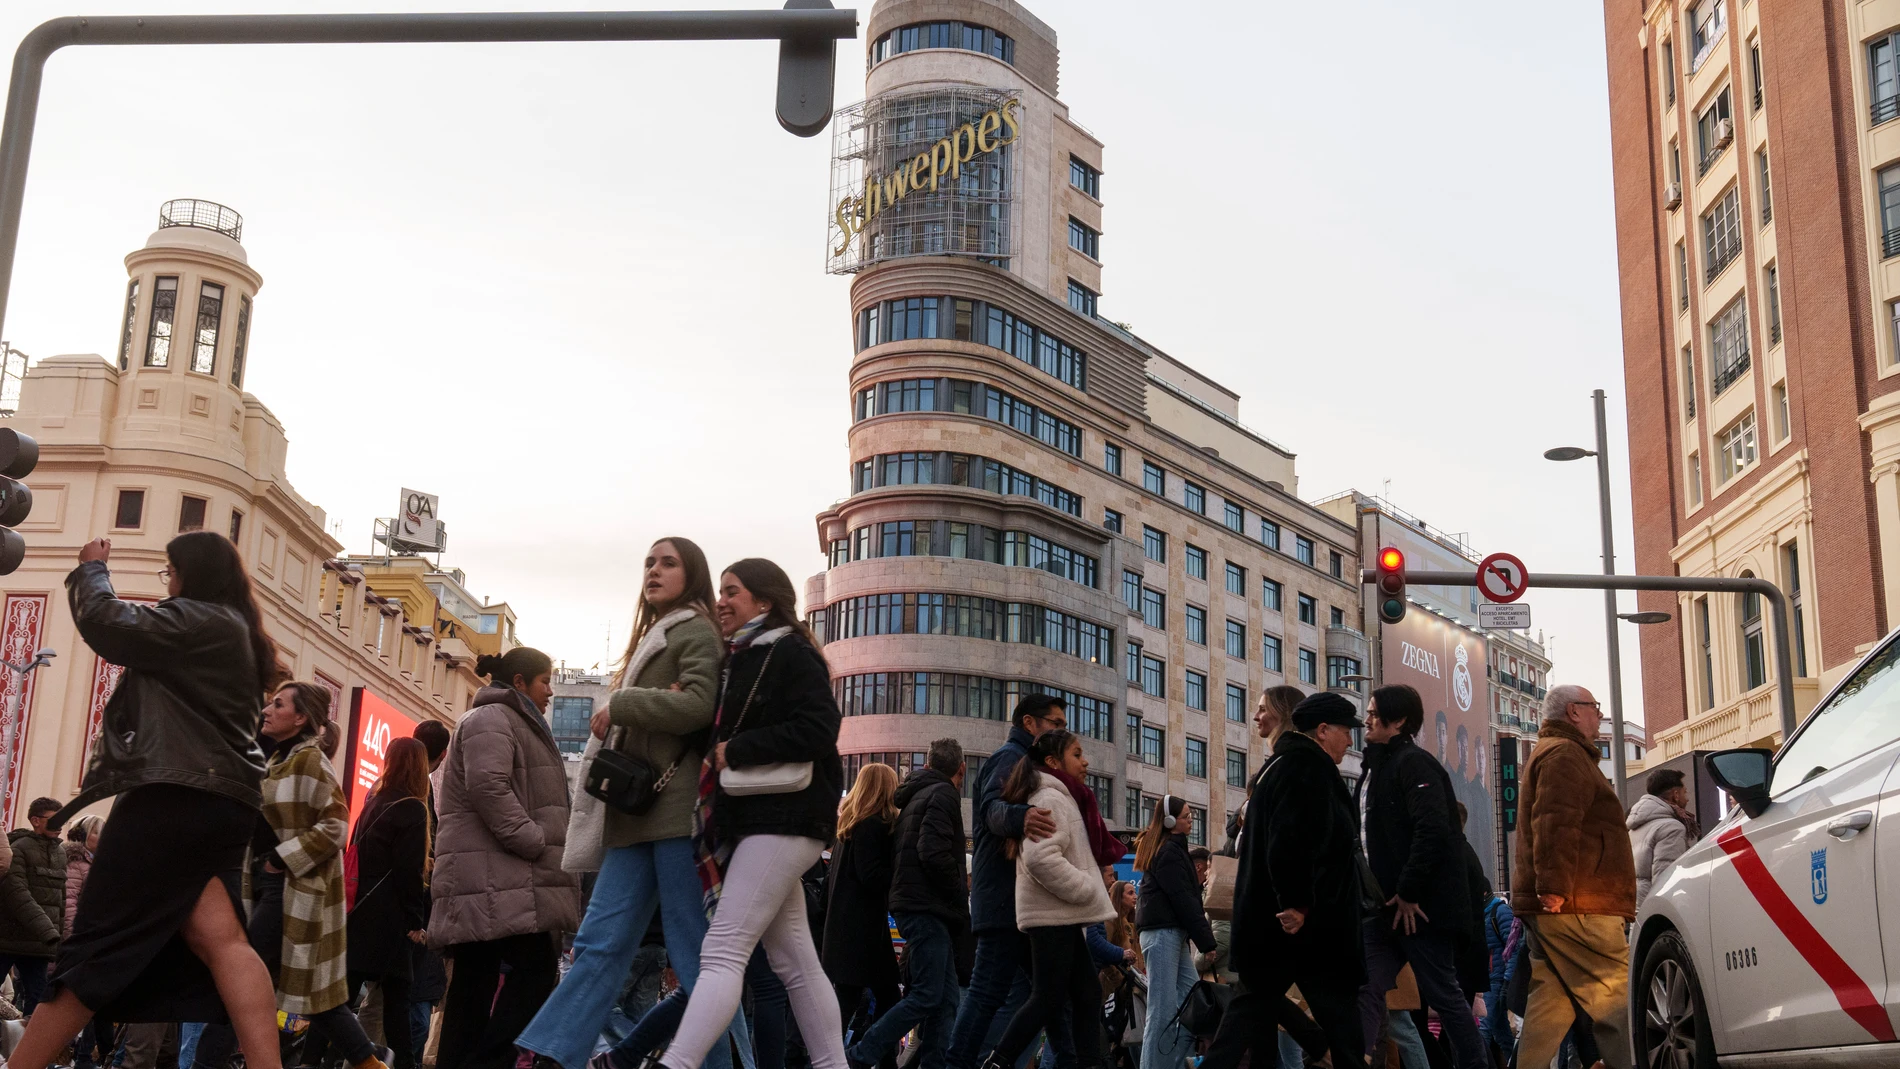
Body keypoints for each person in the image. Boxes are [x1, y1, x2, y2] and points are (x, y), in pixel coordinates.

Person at [13, 534, 287, 1069]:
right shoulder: (240, 635)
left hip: (171, 798)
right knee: (222, 939)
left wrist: (92, 570)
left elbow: (111, 626)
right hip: (226, 805)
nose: (170, 582)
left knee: (96, 943)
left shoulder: (200, 622)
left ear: (191, 574)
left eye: (170, 571)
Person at [518, 537, 739, 1069]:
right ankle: (549, 1053)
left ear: (694, 575)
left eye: (668, 563)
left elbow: (699, 705)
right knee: (599, 944)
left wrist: (623, 702)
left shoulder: (695, 629)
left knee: (695, 962)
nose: (654, 571)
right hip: (636, 815)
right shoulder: (659, 635)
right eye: (649, 563)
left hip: (674, 810)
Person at [655, 559, 846, 1069]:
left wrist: (736, 750)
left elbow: (819, 728)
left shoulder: (789, 651)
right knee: (795, 962)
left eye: (732, 591)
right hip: (767, 822)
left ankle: (677, 1063)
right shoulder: (740, 657)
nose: (720, 600)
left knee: (722, 951)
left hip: (784, 818)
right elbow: (721, 736)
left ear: (764, 601)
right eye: (720, 591)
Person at [192, 681, 387, 1069]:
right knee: (314, 996)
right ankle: (370, 1064)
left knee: (239, 978)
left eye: (277, 705)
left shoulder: (310, 761)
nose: (267, 710)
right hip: (269, 887)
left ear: (300, 718)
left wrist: (280, 860)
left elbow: (335, 827)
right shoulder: (278, 760)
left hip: (292, 889)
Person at [431, 646, 581, 1069]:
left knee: (473, 986)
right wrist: (532, 840)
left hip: (499, 879)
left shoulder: (512, 721)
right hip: (499, 876)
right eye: (545, 681)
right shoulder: (492, 719)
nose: (551, 691)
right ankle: (488, 1061)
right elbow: (489, 787)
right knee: (533, 972)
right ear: (519, 682)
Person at [1203, 692, 1366, 1069]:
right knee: (1341, 1026)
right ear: (1323, 731)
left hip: (1279, 930)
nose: (1349, 741)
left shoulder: (1281, 766)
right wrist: (1297, 903)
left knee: (1246, 1019)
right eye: (1345, 732)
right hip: (1305, 929)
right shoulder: (1306, 769)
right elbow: (1290, 841)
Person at [1353, 685, 1483, 1069]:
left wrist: (1409, 891)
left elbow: (1433, 830)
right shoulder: (1373, 769)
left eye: (1375, 713)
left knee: (1443, 996)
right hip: (1383, 909)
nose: (1367, 719)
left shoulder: (1414, 764)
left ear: (1399, 721)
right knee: (1366, 985)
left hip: (1419, 909)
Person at [1511, 685, 1636, 1069]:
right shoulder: (1566, 755)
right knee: (1615, 994)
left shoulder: (1556, 753)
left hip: (1565, 902)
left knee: (1550, 1002)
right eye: (1594, 707)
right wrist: (1553, 887)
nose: (1599, 715)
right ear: (1573, 712)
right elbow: (1555, 820)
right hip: (1580, 902)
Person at [983, 730, 1117, 1069]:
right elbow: (1041, 858)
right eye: (1076, 753)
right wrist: (1086, 887)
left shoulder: (1059, 796)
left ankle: (1088, 1063)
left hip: (1060, 916)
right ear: (1054, 762)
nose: (1085, 761)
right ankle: (998, 1062)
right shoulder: (1051, 798)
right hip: (1052, 916)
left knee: (1085, 994)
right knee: (1047, 998)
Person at [947, 694, 1064, 1069]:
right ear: (1030, 723)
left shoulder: (1028, 763)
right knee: (988, 994)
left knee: (1050, 996)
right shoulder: (1010, 759)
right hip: (1004, 901)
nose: (1062, 731)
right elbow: (993, 809)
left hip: (1019, 903)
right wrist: (1022, 817)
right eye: (1056, 724)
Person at [847, 742, 967, 1069]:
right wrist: (958, 889)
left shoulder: (916, 796)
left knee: (945, 1001)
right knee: (929, 995)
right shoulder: (943, 795)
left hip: (916, 905)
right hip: (928, 907)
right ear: (962, 769)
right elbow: (933, 852)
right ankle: (859, 1056)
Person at [347, 737, 433, 1069]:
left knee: (340, 1001)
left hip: (359, 913)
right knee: (398, 1006)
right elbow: (408, 871)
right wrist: (415, 921)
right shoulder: (412, 808)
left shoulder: (373, 801)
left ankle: (312, 1061)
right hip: (392, 921)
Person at [824, 763, 901, 1068]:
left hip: (845, 929)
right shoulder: (873, 826)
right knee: (883, 999)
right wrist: (900, 873)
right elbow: (872, 876)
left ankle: (864, 1058)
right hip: (864, 933)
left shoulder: (849, 826)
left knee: (854, 999)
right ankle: (854, 1058)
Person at [1133, 795, 1215, 1069]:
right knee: (1163, 1011)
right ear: (1169, 821)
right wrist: (1206, 941)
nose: (1191, 820)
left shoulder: (1173, 850)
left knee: (1192, 1008)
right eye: (1185, 817)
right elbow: (1183, 899)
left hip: (1170, 935)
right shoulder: (1169, 852)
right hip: (1162, 935)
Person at [407, 720, 451, 1058]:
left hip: (407, 914)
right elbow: (420, 856)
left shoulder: (392, 783)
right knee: (415, 1010)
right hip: (414, 918)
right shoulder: (419, 788)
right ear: (445, 754)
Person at [0, 797, 67, 1017]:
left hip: (39, 944)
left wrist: (58, 935)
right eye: (54, 819)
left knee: (38, 1003)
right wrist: (48, 931)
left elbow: (61, 900)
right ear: (35, 820)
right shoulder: (19, 848)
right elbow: (17, 894)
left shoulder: (60, 853)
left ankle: (24, 1049)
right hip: (8, 940)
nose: (59, 825)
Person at [62, 816, 106, 1069]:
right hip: (78, 945)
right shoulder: (75, 863)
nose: (104, 837)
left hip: (92, 943)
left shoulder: (97, 864)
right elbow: (69, 906)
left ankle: (85, 1056)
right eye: (99, 832)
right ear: (85, 835)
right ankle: (80, 1058)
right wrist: (75, 942)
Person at [1628, 768, 1698, 901]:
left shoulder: (1636, 824)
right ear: (1675, 795)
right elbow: (1665, 876)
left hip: (1636, 903)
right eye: (1685, 792)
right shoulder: (1671, 827)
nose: (1687, 798)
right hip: (1655, 909)